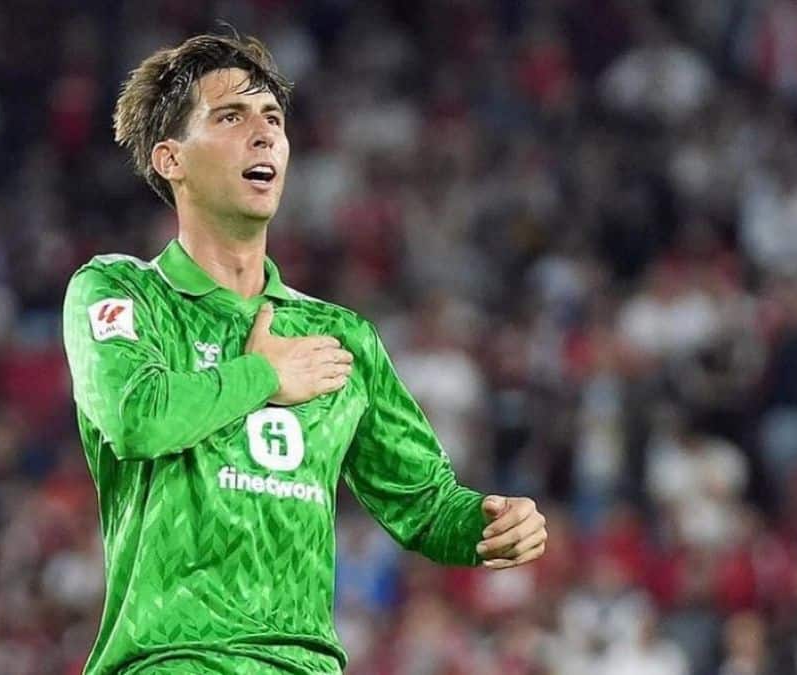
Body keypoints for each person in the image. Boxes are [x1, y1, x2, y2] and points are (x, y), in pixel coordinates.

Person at [62, 31, 547, 674]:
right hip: (172, 658)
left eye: (272, 118)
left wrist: (491, 524)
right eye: (231, 117)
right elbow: (136, 417)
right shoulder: (121, 291)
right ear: (171, 159)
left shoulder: (339, 335)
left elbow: (425, 504)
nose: (263, 134)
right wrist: (264, 375)